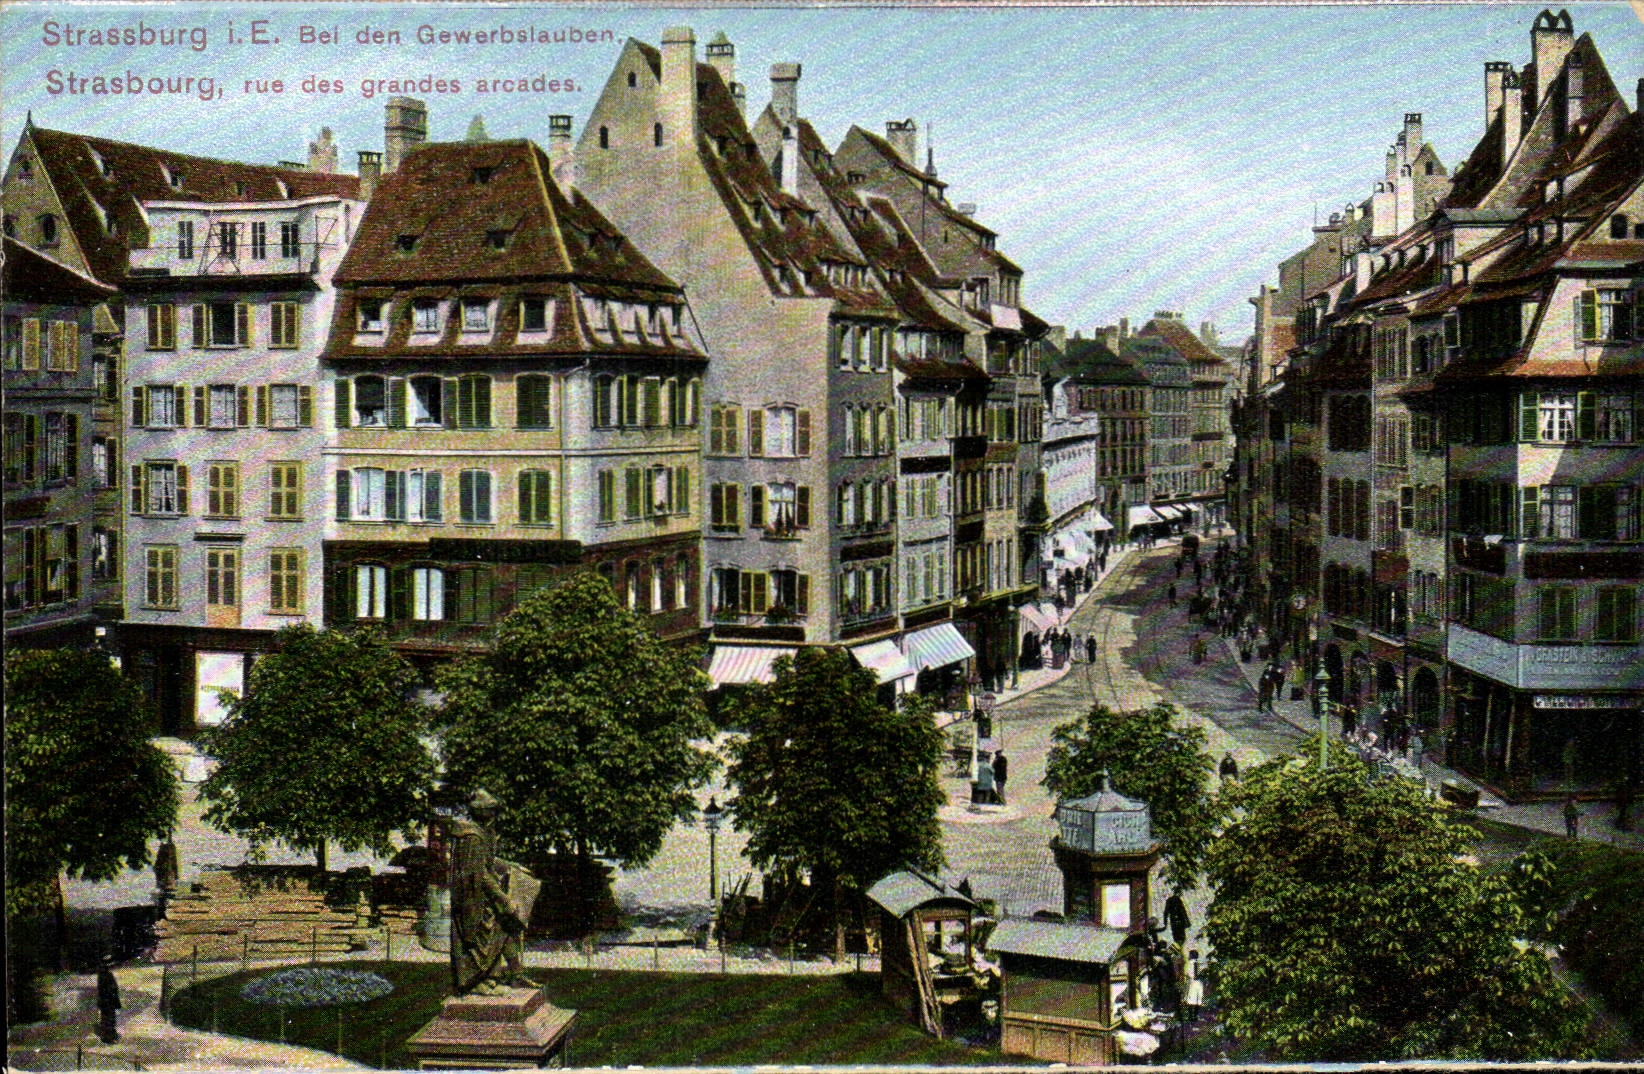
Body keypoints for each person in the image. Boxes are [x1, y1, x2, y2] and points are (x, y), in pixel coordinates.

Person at [96, 955, 121, 1044]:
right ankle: (108, 1037)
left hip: (106, 1002)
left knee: (107, 1019)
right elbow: (111, 990)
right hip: (108, 1001)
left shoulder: (102, 975)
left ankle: (108, 1036)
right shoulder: (106, 976)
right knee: (109, 1019)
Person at [1183, 951, 1205, 1023]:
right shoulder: (1198, 963)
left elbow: (1194, 975)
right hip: (1199, 983)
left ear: (1192, 956)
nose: (1188, 957)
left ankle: (1190, 1017)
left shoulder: (1192, 963)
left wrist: (1190, 977)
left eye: (1189, 955)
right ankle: (1195, 1016)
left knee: (1190, 1000)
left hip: (1194, 983)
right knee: (1198, 1001)